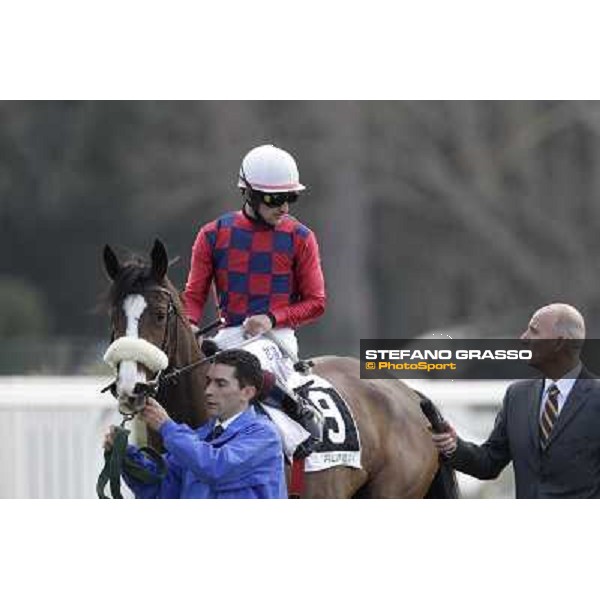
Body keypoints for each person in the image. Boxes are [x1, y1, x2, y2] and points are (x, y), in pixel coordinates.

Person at [183, 144, 326, 456]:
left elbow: (316, 302)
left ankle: (298, 418)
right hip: (228, 335)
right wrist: (190, 324)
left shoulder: (301, 237)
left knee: (244, 367)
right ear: (249, 194)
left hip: (278, 340)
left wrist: (271, 319)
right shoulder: (212, 234)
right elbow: (193, 296)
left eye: (292, 197)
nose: (285, 207)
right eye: (276, 199)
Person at [431, 303, 600, 498]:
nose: (524, 338)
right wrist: (453, 445)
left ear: (559, 343)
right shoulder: (517, 396)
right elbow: (488, 463)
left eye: (534, 332)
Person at [103, 349, 287, 499]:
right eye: (208, 382)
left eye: (220, 384)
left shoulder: (265, 436)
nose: (208, 391)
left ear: (247, 392)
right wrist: (125, 455)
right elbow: (159, 488)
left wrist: (166, 426)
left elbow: (216, 469)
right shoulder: (198, 437)